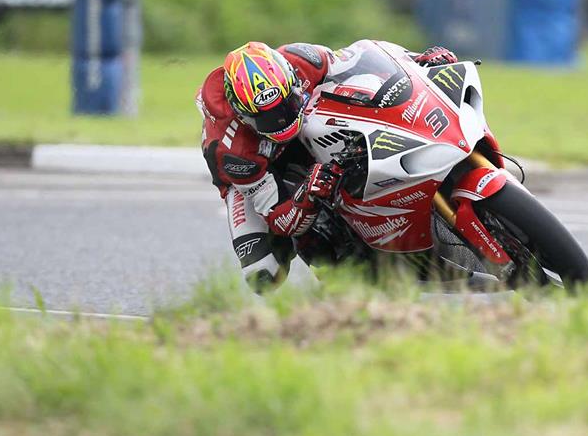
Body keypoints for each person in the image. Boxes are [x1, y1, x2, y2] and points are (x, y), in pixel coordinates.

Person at [196, 41, 457, 290]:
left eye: (285, 105)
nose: (282, 120)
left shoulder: (301, 58)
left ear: (291, 79)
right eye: (267, 118)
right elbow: (280, 219)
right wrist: (306, 196)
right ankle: (341, 282)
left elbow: (365, 59)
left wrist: (418, 61)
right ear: (243, 115)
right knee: (264, 274)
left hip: (310, 125)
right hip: (260, 171)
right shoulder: (235, 152)